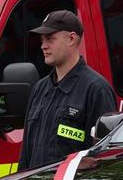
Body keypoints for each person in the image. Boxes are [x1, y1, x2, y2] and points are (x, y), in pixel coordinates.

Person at [17, 9, 116, 171]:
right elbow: (25, 155)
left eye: (50, 39)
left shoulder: (96, 89)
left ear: (71, 38)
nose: (43, 46)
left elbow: (102, 159)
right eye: (42, 40)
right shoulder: (39, 89)